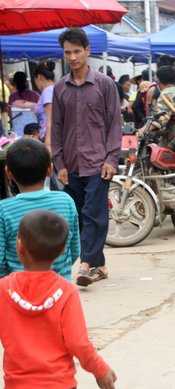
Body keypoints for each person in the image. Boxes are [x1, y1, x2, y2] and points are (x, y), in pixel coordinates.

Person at [0, 209, 116, 389]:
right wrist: (99, 369)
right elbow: (78, 342)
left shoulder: (4, 289)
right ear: (63, 250)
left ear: (19, 246)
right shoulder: (66, 291)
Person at [52, 28, 121, 287]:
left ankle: (84, 264)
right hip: (70, 165)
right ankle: (100, 266)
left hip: (98, 162)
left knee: (94, 214)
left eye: (77, 51)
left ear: (87, 50)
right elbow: (56, 127)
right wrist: (58, 162)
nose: (72, 57)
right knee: (81, 216)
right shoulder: (60, 88)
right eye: (67, 52)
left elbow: (114, 123)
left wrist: (111, 159)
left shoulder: (104, 84)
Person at [0, 138, 79, 280]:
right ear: (49, 169)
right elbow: (74, 249)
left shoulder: (3, 209)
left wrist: (10, 282)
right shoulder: (66, 201)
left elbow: (0, 261)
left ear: (8, 173)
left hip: (16, 293)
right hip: (58, 288)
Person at [11, 62, 55, 151]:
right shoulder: (54, 89)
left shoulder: (47, 91)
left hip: (49, 136)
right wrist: (23, 103)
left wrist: (48, 143)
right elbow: (40, 107)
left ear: (38, 77)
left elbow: (50, 118)